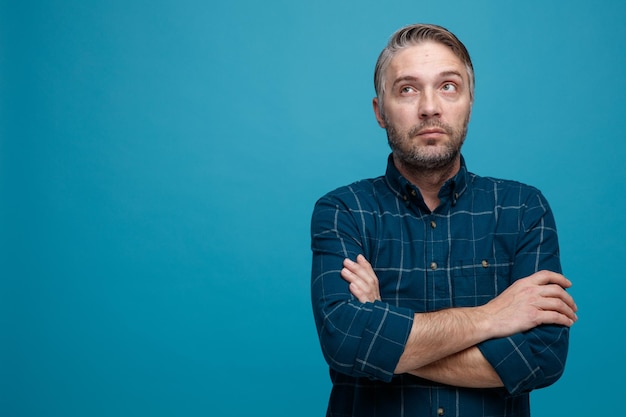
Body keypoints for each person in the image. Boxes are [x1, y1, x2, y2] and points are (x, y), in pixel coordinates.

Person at [310, 23, 577, 417]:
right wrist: (493, 316)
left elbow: (541, 357)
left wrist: (386, 332)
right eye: (407, 89)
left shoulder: (523, 209)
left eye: (448, 86)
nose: (430, 106)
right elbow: (346, 342)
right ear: (379, 111)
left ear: (470, 101)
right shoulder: (343, 210)